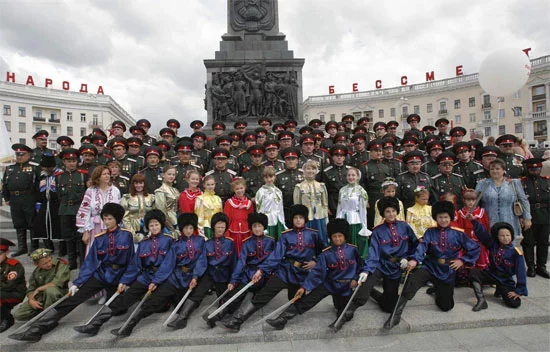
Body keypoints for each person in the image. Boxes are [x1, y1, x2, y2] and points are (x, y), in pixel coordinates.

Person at [9, 203, 136, 342]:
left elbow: (132, 261)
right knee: (74, 297)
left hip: (119, 276)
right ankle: (37, 329)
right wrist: (78, 282)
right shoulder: (100, 238)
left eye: (110, 219)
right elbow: (90, 262)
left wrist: (125, 280)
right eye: (104, 219)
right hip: (102, 274)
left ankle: (94, 325)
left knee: (117, 306)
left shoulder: (126, 236)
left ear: (117, 219)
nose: (106, 222)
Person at [221, 204, 324, 332]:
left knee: (296, 299)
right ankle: (237, 320)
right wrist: (261, 270)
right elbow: (276, 256)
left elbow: (323, 252)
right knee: (264, 294)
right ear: (291, 219)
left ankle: (281, 320)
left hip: (303, 273)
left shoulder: (314, 234)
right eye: (295, 217)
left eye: (301, 217)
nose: (298, 220)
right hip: (285, 270)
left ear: (305, 219)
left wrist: (315, 261)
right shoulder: (285, 236)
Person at [384, 201, 480, 330]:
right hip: (430, 266)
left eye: (446, 217)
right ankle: (396, 314)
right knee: (412, 281)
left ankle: (437, 290)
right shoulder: (430, 232)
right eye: (440, 217)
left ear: (450, 217)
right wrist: (415, 260)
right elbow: (421, 247)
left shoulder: (458, 233)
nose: (443, 220)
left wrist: (462, 260)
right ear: (435, 218)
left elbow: (474, 249)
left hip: (447, 270)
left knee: (446, 306)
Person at [79, 209, 175, 337]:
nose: (154, 227)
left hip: (164, 278)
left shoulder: (169, 240)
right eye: (151, 225)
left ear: (161, 225)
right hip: (146, 276)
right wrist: (125, 281)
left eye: (156, 224)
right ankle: (95, 324)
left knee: (149, 303)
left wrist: (156, 281)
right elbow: (135, 265)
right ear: (147, 227)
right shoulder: (144, 243)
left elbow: (168, 264)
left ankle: (128, 326)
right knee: (125, 298)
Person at [265, 218, 362, 330]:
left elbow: (361, 266)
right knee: (307, 301)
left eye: (340, 236)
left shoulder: (353, 250)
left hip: (346, 286)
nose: (337, 239)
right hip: (329, 284)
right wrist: (304, 287)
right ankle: (282, 319)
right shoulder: (326, 253)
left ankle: (339, 319)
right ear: (330, 237)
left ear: (345, 236)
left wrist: (355, 278)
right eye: (334, 236)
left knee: (346, 311)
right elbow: (317, 272)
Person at [168, 213, 236, 330]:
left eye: (222, 227)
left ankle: (215, 318)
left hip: (224, 275)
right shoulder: (207, 243)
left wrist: (234, 279)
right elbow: (202, 261)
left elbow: (234, 262)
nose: (220, 229)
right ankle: (181, 318)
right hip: (210, 273)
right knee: (197, 294)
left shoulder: (230, 243)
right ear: (213, 227)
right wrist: (196, 276)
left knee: (225, 298)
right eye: (218, 226)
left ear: (226, 228)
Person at [207, 213, 276, 328]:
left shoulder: (271, 241)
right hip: (249, 273)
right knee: (237, 293)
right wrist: (233, 280)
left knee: (256, 298)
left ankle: (237, 319)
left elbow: (273, 260)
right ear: (251, 228)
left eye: (259, 226)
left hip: (265, 274)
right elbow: (241, 262)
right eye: (254, 226)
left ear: (264, 227)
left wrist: (262, 271)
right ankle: (220, 314)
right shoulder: (247, 242)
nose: (257, 229)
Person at [353, 197, 418, 315]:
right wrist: (366, 271)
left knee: (389, 307)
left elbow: (415, 244)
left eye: (393, 211)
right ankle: (351, 307)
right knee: (365, 283)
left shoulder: (405, 227)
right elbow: (373, 253)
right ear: (383, 213)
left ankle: (375, 294)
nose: (391, 214)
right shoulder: (377, 231)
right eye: (388, 211)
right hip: (381, 264)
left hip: (397, 267)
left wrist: (409, 258)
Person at [469, 221, 527, 311]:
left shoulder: (516, 253)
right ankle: (481, 300)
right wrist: (474, 221)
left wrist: (518, 291)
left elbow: (521, 273)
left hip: (505, 280)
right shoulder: (493, 245)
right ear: (497, 237)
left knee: (514, 303)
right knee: (473, 273)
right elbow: (483, 235)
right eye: (502, 236)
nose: (505, 238)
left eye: (508, 235)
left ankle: (500, 290)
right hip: (492, 274)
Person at [475, 159, 532, 247]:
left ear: (503, 170)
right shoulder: (482, 184)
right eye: (492, 169)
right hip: (489, 220)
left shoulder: (514, 183)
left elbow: (523, 200)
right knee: (491, 245)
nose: (495, 171)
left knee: (509, 246)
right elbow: (475, 201)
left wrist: (527, 218)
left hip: (509, 219)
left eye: (498, 169)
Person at [2, 144, 40, 256]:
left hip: (29, 198)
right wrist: (6, 198)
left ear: (28, 155)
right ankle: (22, 247)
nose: (19, 157)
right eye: (17, 154)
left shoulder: (34, 167)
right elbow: (5, 184)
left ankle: (34, 247)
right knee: (18, 224)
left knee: (32, 223)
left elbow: (38, 184)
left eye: (22, 154)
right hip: (15, 199)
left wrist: (37, 200)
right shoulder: (10, 168)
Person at [13, 249, 70, 321]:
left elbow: (56, 283)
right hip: (42, 296)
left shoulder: (61, 265)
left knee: (50, 290)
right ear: (37, 264)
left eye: (49, 260)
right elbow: (31, 288)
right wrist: (31, 300)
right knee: (18, 315)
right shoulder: (36, 272)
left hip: (58, 294)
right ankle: (42, 312)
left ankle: (48, 316)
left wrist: (39, 289)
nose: (49, 264)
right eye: (45, 263)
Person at [76, 165, 122, 255]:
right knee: (96, 253)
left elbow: (119, 209)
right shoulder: (90, 191)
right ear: (98, 177)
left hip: (112, 228)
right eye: (104, 174)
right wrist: (85, 231)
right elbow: (84, 211)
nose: (107, 176)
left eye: (108, 174)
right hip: (95, 228)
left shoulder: (115, 190)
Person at [56, 148, 87, 269]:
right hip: (64, 209)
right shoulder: (59, 177)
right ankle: (72, 262)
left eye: (74, 160)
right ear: (64, 162)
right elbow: (58, 194)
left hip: (79, 209)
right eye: (68, 161)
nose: (71, 163)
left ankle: (83, 262)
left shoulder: (83, 175)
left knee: (80, 237)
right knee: (68, 237)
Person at [520, 158, 550, 278]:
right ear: (528, 169)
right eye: (532, 169)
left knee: (543, 242)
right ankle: (531, 266)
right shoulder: (522, 182)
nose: (535, 171)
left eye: (537, 169)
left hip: (545, 215)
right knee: (529, 242)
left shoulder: (546, 181)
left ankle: (541, 266)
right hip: (529, 214)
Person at [452, 189, 490, 271]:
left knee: (481, 250)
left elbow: (485, 227)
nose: (471, 203)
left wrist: (475, 219)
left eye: (473, 200)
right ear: (464, 200)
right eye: (468, 200)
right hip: (466, 241)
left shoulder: (481, 212)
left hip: (479, 240)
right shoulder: (460, 213)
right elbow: (459, 229)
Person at [294, 160, 329, 245]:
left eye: (313, 169)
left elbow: (325, 204)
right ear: (304, 170)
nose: (311, 171)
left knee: (320, 239)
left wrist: (326, 218)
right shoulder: (299, 187)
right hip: (306, 217)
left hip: (319, 217)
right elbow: (297, 205)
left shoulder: (321, 186)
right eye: (308, 169)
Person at [336, 167, 369, 258]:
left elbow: (363, 210)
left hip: (355, 220)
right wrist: (336, 222)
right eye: (349, 175)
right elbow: (339, 207)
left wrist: (364, 226)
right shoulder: (342, 190)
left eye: (353, 175)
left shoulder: (361, 191)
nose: (351, 177)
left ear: (358, 177)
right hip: (343, 219)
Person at [32, 153, 62, 252]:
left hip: (56, 204)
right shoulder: (42, 176)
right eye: (44, 167)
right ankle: (48, 245)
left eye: (47, 167)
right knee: (42, 224)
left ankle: (62, 248)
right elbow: (37, 189)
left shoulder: (59, 174)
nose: (45, 170)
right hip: (45, 203)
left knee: (58, 225)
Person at [121, 174, 156, 246]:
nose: (138, 185)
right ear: (133, 184)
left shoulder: (152, 197)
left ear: (144, 184)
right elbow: (125, 217)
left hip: (149, 230)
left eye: (141, 183)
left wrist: (151, 232)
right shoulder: (126, 198)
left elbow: (155, 216)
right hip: (132, 229)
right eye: (136, 183)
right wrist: (132, 234)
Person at [0, 238, 26, 332]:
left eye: (0, 253)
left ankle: (7, 319)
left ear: (7, 252)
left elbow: (9, 285)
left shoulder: (14, 265)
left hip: (15, 293)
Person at [224, 178, 255, 256]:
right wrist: (226, 233)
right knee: (234, 250)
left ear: (245, 188)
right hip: (233, 231)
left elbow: (251, 219)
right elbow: (227, 219)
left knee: (246, 249)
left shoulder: (249, 203)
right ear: (233, 190)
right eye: (237, 189)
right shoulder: (229, 203)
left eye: (241, 188)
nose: (239, 190)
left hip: (246, 230)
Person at [255, 167, 286, 240]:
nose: (269, 179)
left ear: (275, 177)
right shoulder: (260, 192)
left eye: (271, 177)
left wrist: (283, 223)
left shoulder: (278, 191)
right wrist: (261, 225)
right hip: (267, 221)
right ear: (263, 178)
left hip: (278, 221)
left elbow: (281, 208)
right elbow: (259, 210)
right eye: (266, 177)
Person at [154, 165, 180, 238]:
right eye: (169, 174)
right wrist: (171, 227)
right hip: (167, 222)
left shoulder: (175, 190)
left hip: (176, 218)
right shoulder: (160, 191)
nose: (171, 176)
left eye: (173, 174)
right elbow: (161, 211)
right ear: (163, 175)